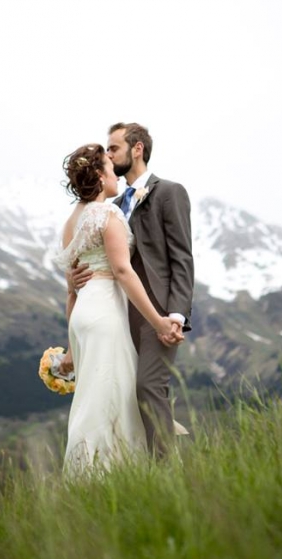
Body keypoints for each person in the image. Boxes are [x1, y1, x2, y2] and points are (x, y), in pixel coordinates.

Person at [71, 123, 194, 455]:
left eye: (113, 148)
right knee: (119, 392)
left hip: (158, 309)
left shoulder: (169, 192)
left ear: (137, 149)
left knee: (148, 386)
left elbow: (182, 257)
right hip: (116, 311)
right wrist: (76, 280)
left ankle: (167, 474)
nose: (108, 154)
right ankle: (130, 472)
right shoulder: (105, 204)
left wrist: (176, 315)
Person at [55, 143, 177, 475]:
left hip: (82, 315)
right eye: (110, 169)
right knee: (112, 396)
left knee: (90, 398)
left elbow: (71, 291)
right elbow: (123, 271)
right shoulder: (105, 214)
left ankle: (84, 473)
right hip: (105, 311)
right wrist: (159, 322)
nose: (116, 176)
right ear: (98, 175)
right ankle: (108, 477)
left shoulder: (71, 221)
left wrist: (70, 345)